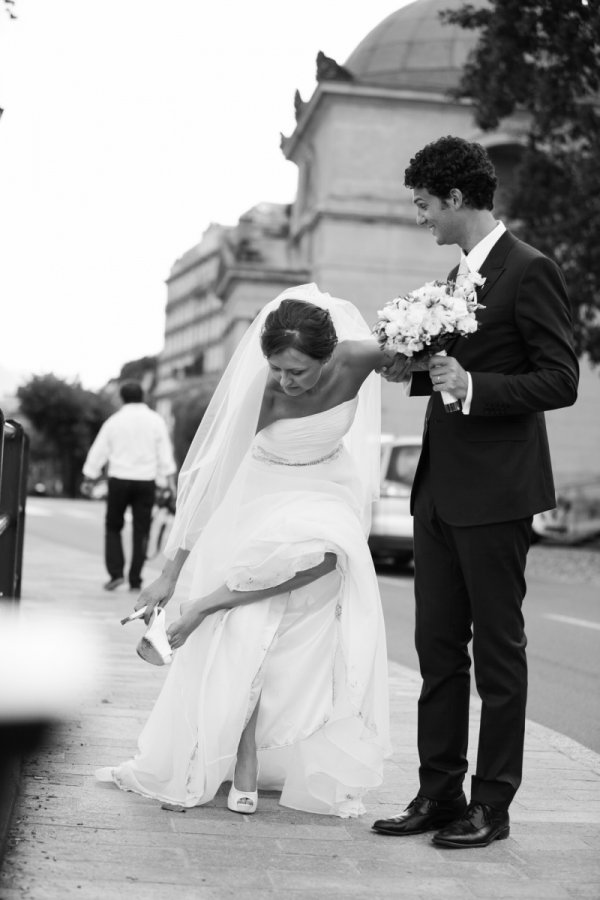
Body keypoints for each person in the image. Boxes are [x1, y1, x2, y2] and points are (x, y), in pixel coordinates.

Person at [96, 284, 393, 818]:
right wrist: (169, 573)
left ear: (329, 359)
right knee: (254, 627)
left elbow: (425, 351)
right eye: (277, 366)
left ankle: (209, 607)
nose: (285, 379)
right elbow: (210, 482)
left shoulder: (361, 358)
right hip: (262, 491)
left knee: (329, 561)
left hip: (328, 488)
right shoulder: (263, 395)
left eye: (297, 370)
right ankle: (245, 753)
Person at [372, 136, 579, 848]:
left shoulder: (531, 270)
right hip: (436, 493)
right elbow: (452, 366)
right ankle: (438, 794)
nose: (422, 217)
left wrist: (477, 387)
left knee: (498, 656)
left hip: (496, 494)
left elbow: (561, 378)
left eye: (425, 204)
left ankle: (492, 805)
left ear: (456, 199)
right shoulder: (455, 280)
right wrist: (418, 369)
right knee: (436, 653)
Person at [82, 380, 177, 592]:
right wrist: (170, 483)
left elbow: (99, 451)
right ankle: (135, 578)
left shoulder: (114, 422)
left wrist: (89, 477)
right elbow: (165, 454)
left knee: (113, 526)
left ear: (122, 398)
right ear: (142, 397)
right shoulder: (156, 421)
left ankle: (116, 574)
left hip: (119, 480)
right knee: (141, 530)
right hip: (146, 481)